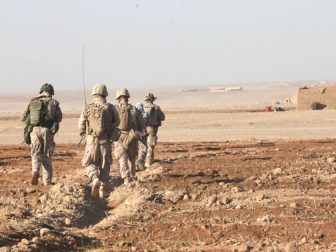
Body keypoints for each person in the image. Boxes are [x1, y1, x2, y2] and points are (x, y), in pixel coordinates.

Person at [78, 84, 119, 198]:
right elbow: (118, 121)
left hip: (91, 141)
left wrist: (84, 135)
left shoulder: (88, 108)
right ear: (105, 93)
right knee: (105, 165)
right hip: (105, 141)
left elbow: (80, 124)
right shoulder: (110, 107)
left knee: (89, 163)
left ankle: (94, 178)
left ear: (94, 94)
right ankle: (103, 189)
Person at [22, 83, 62, 185]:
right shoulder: (53, 102)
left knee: (35, 154)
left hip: (34, 131)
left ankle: (35, 170)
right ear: (51, 92)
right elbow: (59, 118)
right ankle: (47, 182)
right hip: (47, 131)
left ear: (41, 91)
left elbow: (24, 118)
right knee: (47, 156)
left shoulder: (33, 101)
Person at [114, 88, 145, 184]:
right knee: (132, 159)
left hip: (118, 136)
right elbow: (142, 124)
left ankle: (126, 178)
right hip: (132, 136)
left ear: (119, 98)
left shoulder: (115, 109)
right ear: (127, 97)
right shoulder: (134, 110)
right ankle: (133, 177)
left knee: (122, 157)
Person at [141, 93, 165, 168]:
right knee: (150, 145)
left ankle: (140, 161)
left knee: (143, 145)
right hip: (152, 128)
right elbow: (163, 117)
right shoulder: (156, 107)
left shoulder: (142, 107)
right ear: (152, 99)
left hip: (142, 128)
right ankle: (148, 162)